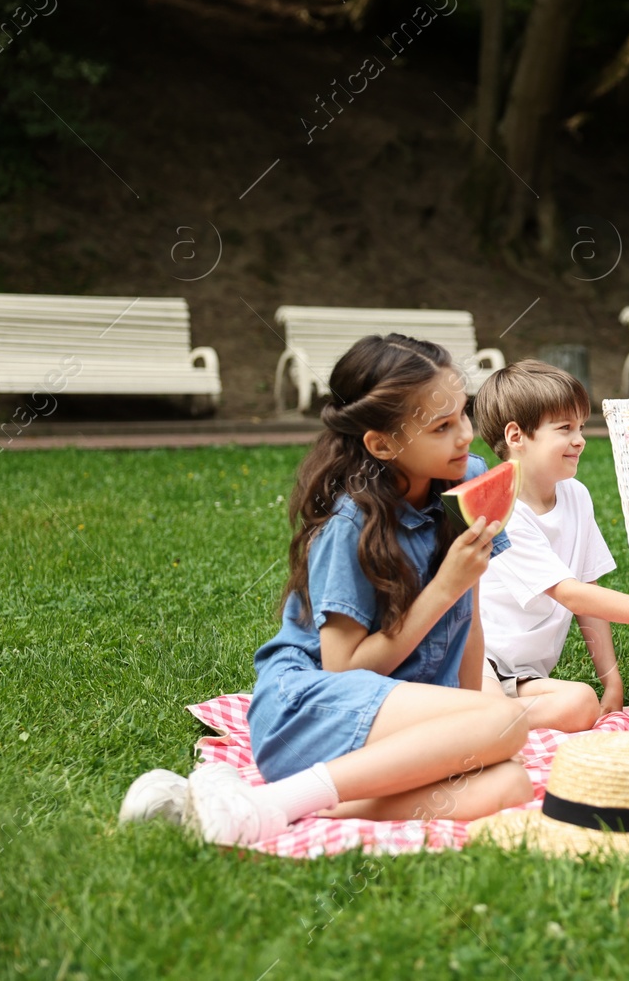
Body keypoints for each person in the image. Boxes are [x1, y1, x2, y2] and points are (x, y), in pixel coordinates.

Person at [120, 335, 534, 845]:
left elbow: (468, 616)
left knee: (510, 782)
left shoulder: (465, 478)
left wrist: (465, 723)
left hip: (393, 729)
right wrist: (445, 588)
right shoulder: (350, 523)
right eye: (441, 427)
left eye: (464, 415)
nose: (465, 436)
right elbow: (345, 672)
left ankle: (269, 807)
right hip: (311, 712)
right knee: (505, 721)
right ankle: (277, 796)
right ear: (381, 444)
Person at [470, 360, 629, 731]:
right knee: (490, 716)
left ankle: (484, 724)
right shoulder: (502, 508)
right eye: (564, 428)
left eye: (582, 427)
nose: (580, 439)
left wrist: (612, 684)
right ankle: (473, 721)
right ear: (516, 436)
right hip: (477, 660)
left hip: (522, 676)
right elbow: (571, 595)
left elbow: (589, 590)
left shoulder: (576, 496)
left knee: (581, 703)